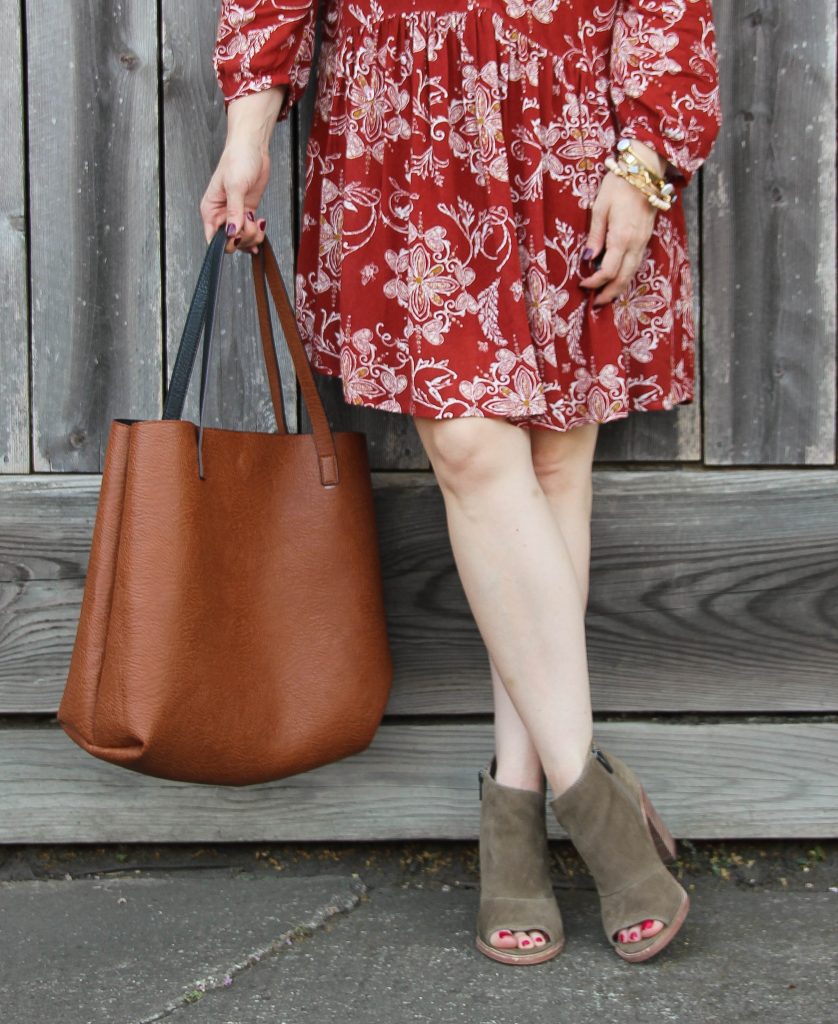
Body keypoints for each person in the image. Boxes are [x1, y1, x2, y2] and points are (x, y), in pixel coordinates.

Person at [202, 0, 722, 964]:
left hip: (571, 117)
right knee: (474, 453)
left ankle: (516, 815)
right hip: (409, 122)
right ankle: (596, 804)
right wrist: (248, 134)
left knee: (558, 462)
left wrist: (644, 159)